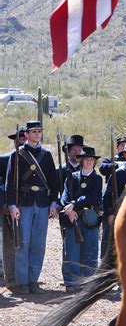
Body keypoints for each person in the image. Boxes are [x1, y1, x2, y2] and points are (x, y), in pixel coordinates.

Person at [5, 120, 58, 294]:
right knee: (22, 243)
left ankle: (33, 281)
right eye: (33, 132)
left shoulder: (47, 155)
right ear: (26, 135)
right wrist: (12, 204)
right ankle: (22, 283)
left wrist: (53, 202)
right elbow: (10, 183)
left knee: (38, 244)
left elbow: (53, 181)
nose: (37, 134)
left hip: (42, 203)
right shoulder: (17, 154)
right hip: (24, 203)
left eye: (39, 131)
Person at [60, 146, 102, 292]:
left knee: (90, 251)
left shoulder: (97, 179)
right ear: (82, 161)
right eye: (87, 159)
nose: (89, 162)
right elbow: (64, 196)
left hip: (90, 219)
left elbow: (93, 197)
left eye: (91, 160)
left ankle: (88, 284)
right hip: (73, 218)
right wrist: (69, 210)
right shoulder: (71, 177)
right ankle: (72, 283)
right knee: (71, 252)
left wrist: (74, 203)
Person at [0, 127, 27, 291]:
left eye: (24, 139)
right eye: (19, 139)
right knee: (9, 243)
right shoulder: (4, 159)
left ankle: (23, 277)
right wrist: (4, 203)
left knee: (25, 243)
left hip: (28, 206)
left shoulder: (32, 160)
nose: (22, 142)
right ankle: (10, 278)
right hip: (8, 207)